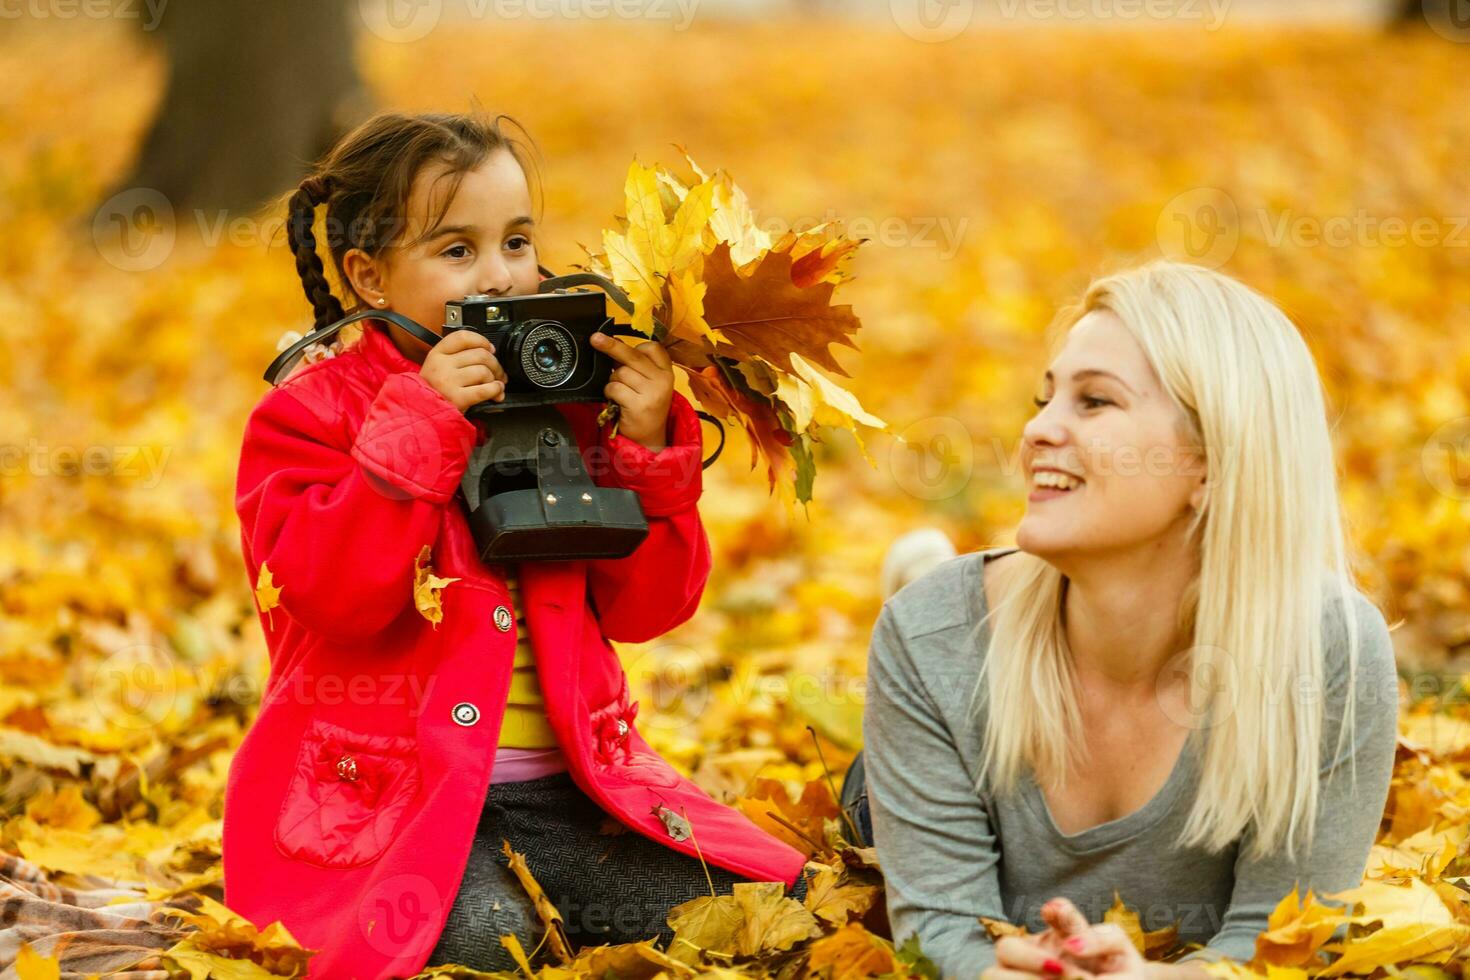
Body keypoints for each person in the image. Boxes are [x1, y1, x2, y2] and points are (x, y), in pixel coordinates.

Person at [223, 109, 807, 980]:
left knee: (764, 918)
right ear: (369, 275)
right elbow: (330, 597)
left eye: (518, 241)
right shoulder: (313, 413)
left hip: (579, 799)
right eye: (457, 251)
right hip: (398, 813)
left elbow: (650, 610)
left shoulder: (569, 400)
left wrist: (644, 449)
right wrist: (419, 427)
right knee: (475, 946)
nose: (500, 276)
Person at [845, 261, 1400, 980]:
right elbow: (939, 929)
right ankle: (928, 576)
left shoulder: (1331, 652)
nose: (1038, 430)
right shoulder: (926, 638)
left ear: (1211, 464)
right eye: (1044, 400)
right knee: (887, 757)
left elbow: (1281, 943)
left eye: (1094, 402)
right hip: (938, 734)